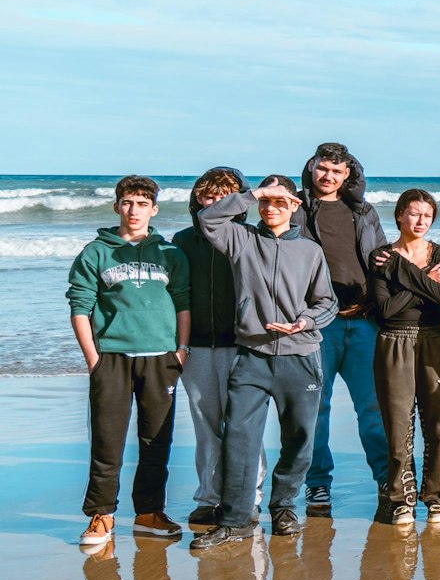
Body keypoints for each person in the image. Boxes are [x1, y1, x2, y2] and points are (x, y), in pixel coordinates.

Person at [189, 175, 336, 551]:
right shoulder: (241, 240)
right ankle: (235, 520)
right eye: (266, 201)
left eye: (280, 200)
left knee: (299, 439)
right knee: (239, 437)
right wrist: (254, 193)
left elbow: (327, 303)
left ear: (294, 206)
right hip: (252, 356)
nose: (271, 207)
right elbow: (208, 219)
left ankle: (284, 507)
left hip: (300, 356)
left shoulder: (310, 251)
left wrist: (304, 323)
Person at [69, 175, 191, 550]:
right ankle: (101, 514)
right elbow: (80, 306)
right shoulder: (96, 253)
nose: (133, 210)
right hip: (112, 358)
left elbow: (183, 302)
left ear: (154, 209)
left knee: (156, 439)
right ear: (116, 206)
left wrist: (181, 350)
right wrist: (93, 358)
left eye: (141, 203)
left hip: (160, 358)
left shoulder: (170, 254)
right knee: (107, 441)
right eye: (127, 202)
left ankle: (149, 513)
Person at [298, 142, 390, 515]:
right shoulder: (297, 209)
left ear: (347, 174)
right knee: (315, 408)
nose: (328, 176)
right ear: (312, 167)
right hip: (318, 325)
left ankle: (386, 478)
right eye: (323, 168)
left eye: (337, 171)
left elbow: (382, 258)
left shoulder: (363, 211)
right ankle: (317, 482)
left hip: (364, 321)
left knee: (373, 407)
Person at [367, 189, 440, 527]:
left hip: (435, 339)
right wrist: (424, 281)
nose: (421, 221)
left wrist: (401, 273)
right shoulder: (380, 256)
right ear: (400, 215)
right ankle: (401, 500)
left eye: (427, 216)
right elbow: (385, 310)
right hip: (394, 341)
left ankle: (435, 498)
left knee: (439, 422)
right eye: (415, 213)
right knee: (398, 425)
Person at [172, 167, 252, 529]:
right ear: (197, 200)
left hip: (243, 346)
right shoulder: (183, 240)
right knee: (206, 428)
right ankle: (208, 498)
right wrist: (177, 345)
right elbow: (175, 296)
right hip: (198, 347)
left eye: (225, 197)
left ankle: (247, 498)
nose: (216, 202)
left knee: (244, 427)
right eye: (209, 196)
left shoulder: (251, 237)